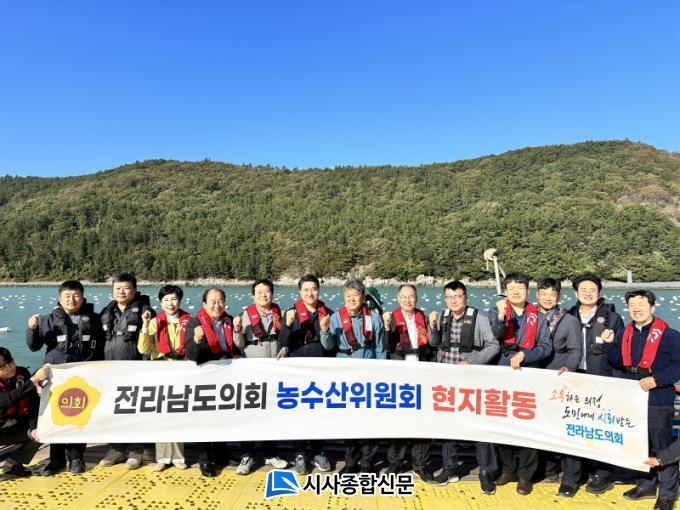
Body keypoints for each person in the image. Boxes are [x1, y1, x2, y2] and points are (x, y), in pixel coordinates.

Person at [602, 290, 680, 510]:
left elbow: (678, 365)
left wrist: (657, 379)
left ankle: (667, 494)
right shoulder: (624, 333)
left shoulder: (670, 335)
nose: (636, 309)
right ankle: (646, 484)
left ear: (652, 307)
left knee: (662, 446)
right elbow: (618, 362)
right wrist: (609, 344)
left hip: (658, 397)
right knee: (638, 443)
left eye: (641, 304)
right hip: (632, 396)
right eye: (632, 305)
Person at [25, 279, 104, 475]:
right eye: (67, 296)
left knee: (80, 414)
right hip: (57, 377)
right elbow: (33, 346)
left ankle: (76, 457)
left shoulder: (95, 319)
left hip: (84, 375)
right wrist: (32, 329)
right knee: (56, 415)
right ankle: (56, 459)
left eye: (76, 295)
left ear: (82, 297)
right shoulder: (47, 319)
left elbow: (102, 345)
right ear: (60, 298)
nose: (72, 299)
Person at [428, 279, 500, 495]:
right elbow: (434, 343)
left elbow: (493, 345)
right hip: (447, 380)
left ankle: (486, 471)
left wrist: (472, 361)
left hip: (472, 379)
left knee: (479, 425)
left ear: (465, 297)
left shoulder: (480, 319)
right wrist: (432, 327)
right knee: (448, 425)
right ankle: (450, 468)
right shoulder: (442, 316)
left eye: (458, 296)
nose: (454, 301)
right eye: (449, 297)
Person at [488, 272, 551, 496]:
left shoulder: (539, 317)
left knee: (528, 425)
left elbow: (546, 347)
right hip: (502, 373)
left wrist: (526, 355)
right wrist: (501, 317)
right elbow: (494, 337)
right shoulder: (495, 311)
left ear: (527, 291)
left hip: (528, 373)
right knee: (502, 423)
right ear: (505, 291)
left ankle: (526, 475)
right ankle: (508, 469)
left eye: (520, 287)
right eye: (511, 288)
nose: (516, 291)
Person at [567, 273, 625, 495]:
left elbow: (621, 354)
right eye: (583, 289)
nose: (588, 293)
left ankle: (602, 474)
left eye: (593, 289)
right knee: (572, 426)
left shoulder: (613, 318)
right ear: (576, 293)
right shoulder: (568, 315)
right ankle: (572, 477)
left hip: (601, 379)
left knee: (601, 428)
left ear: (599, 293)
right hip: (574, 379)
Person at [321, 278, 386, 474]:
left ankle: (367, 462)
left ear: (363, 297)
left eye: (355, 295)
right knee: (348, 419)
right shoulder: (335, 318)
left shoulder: (374, 318)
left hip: (368, 375)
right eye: (348, 296)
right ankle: (350, 461)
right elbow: (328, 346)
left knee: (368, 419)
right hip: (345, 374)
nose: (351, 299)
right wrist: (325, 330)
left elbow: (380, 349)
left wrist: (380, 375)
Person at [278, 274, 334, 474]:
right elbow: (282, 342)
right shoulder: (291, 313)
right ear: (300, 292)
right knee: (298, 412)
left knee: (319, 411)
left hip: (320, 370)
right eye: (306, 290)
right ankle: (300, 453)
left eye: (314, 289)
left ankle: (318, 451)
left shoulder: (328, 313)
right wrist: (287, 325)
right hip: (297, 370)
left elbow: (333, 345)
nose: (310, 293)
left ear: (319, 290)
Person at [184, 287, 242, 476]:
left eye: (220, 301)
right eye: (213, 302)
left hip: (225, 375)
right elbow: (191, 354)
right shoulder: (194, 322)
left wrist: (237, 353)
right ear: (204, 304)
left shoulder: (229, 320)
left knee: (223, 415)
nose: (217, 305)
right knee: (203, 418)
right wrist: (197, 339)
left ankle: (221, 452)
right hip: (204, 376)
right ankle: (205, 457)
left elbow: (235, 347)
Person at [98, 272, 154, 470]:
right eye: (117, 288)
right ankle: (117, 448)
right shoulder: (107, 311)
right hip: (110, 370)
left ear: (135, 290)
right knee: (113, 410)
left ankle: (136, 451)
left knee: (135, 411)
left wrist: (146, 367)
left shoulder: (145, 311)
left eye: (126, 288)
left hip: (134, 369)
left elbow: (150, 341)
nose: (121, 292)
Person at [232, 278, 288, 474]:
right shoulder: (245, 315)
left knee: (271, 412)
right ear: (253, 296)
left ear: (272, 293)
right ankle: (246, 455)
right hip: (252, 371)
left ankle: (271, 454)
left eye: (267, 292)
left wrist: (285, 349)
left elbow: (285, 338)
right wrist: (237, 330)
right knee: (249, 413)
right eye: (259, 292)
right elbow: (239, 344)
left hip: (274, 370)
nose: (263, 295)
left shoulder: (280, 313)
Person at [534, 278, 583, 497]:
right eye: (543, 293)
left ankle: (570, 478)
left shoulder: (568, 320)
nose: (547, 298)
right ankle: (547, 469)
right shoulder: (530, 316)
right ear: (537, 294)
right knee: (540, 426)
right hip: (534, 378)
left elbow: (575, 350)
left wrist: (568, 367)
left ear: (558, 296)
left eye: (552, 294)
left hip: (559, 378)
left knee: (566, 429)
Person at [382, 284, 436, 483]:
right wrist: (387, 327)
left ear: (416, 298)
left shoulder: (424, 318)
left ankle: (420, 463)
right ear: (398, 298)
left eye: (411, 296)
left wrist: (433, 326)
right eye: (404, 297)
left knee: (422, 420)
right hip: (399, 373)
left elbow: (433, 345)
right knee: (398, 419)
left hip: (422, 373)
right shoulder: (392, 318)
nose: (407, 300)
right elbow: (387, 346)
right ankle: (395, 462)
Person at [138, 284, 190, 472]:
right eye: (166, 300)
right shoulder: (154, 322)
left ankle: (178, 456)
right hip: (160, 370)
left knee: (178, 412)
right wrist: (145, 326)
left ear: (180, 301)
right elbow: (143, 349)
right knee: (161, 414)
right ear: (160, 303)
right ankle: (162, 457)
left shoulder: (189, 321)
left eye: (174, 299)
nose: (170, 303)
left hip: (182, 370)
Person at [0, 348, 50, 477]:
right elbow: (6, 400)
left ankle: (14, 464)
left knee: (42, 431)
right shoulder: (30, 381)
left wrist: (34, 428)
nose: (10, 368)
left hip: (14, 426)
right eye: (3, 367)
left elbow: (33, 403)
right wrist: (34, 380)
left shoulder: (22, 373)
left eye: (11, 362)